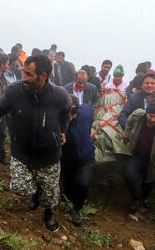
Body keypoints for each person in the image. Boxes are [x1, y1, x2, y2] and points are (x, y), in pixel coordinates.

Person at [0, 54, 72, 231]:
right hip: (21, 152)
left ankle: (49, 214)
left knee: (51, 195)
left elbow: (67, 111)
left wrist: (62, 130)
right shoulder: (15, 91)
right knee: (20, 186)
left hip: (48, 155)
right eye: (24, 73)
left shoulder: (59, 96)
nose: (24, 79)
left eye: (29, 75)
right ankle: (35, 192)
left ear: (43, 76)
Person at [60, 94, 95, 226]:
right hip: (66, 159)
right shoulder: (57, 122)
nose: (69, 116)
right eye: (66, 113)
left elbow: (88, 107)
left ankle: (76, 209)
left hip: (85, 157)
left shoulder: (86, 113)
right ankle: (67, 197)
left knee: (83, 183)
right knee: (68, 183)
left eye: (73, 112)